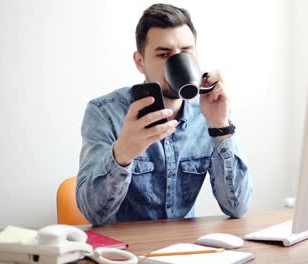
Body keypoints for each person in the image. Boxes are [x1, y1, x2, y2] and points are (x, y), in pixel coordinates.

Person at [76, 3, 252, 226]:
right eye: (164, 54)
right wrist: (123, 153)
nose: (177, 62)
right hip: (125, 253)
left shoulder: (208, 111)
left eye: (186, 52)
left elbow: (238, 208)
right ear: (140, 62)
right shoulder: (104, 113)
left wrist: (220, 127)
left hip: (183, 250)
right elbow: (93, 215)